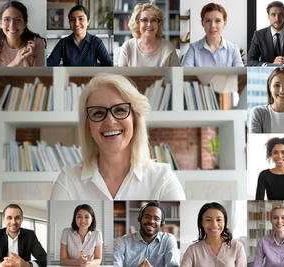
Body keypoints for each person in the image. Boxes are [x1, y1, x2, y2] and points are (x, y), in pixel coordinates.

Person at [50, 73, 185, 200]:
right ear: (88, 127)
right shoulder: (68, 180)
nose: (110, 121)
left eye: (120, 110)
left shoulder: (162, 179)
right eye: (98, 113)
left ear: (135, 120)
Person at [114, 202, 180, 266]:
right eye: (147, 217)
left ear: (161, 223)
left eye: (156, 219)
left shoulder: (168, 240)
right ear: (140, 219)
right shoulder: (122, 242)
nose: (151, 221)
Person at [181, 202, 247, 267]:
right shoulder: (192, 250)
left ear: (224, 222)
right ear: (202, 223)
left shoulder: (237, 247)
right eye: (208, 220)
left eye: (219, 220)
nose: (214, 224)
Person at [0, 203, 46, 267]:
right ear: (4, 219)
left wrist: (27, 265)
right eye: (9, 218)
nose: (13, 222)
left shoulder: (30, 235)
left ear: (22, 219)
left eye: (17, 218)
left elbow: (45, 260)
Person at [47, 5, 112, 66]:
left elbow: (109, 65)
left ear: (88, 22)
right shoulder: (63, 43)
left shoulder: (96, 42)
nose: (76, 23)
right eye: (72, 19)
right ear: (69, 22)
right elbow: (49, 65)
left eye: (81, 19)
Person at [0, 1, 46, 67]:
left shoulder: (37, 42)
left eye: (18, 20)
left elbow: (37, 76)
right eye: (7, 19)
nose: (12, 26)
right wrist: (16, 61)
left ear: (25, 23)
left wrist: (25, 58)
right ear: (0, 23)